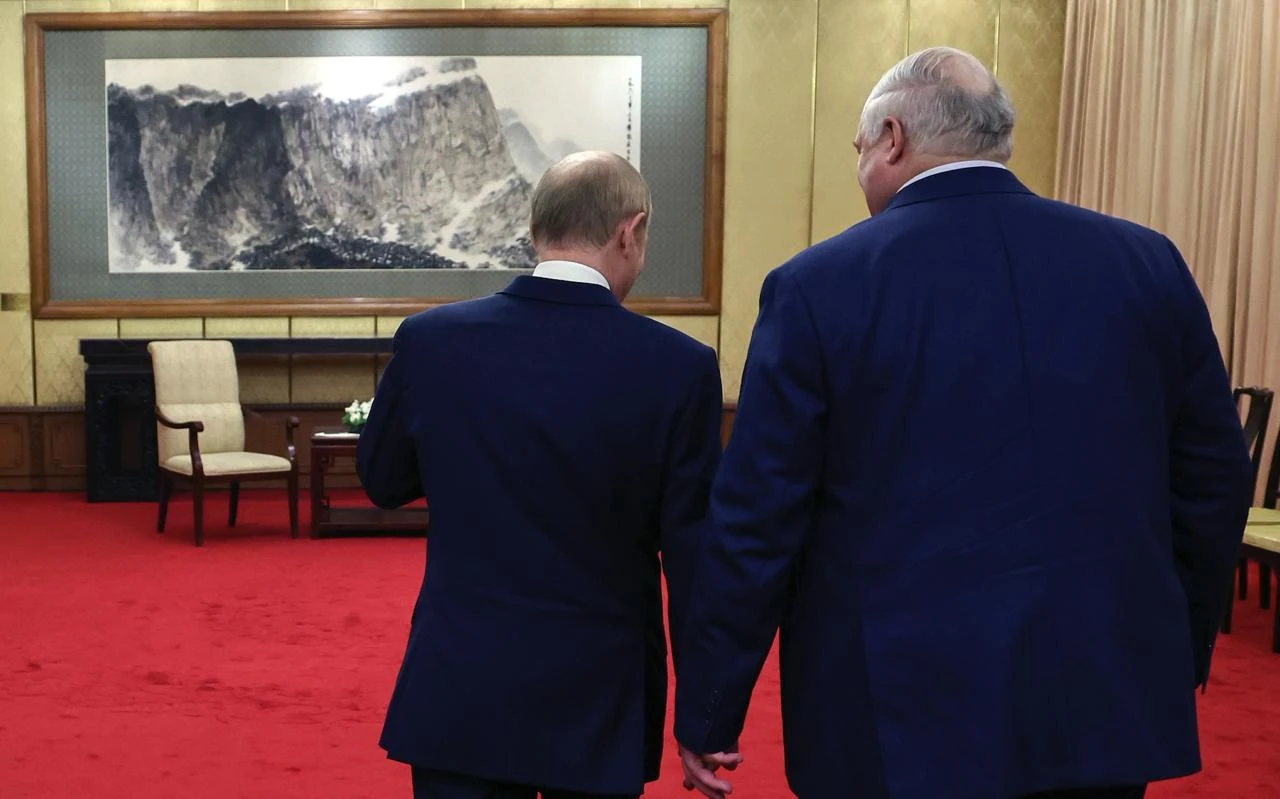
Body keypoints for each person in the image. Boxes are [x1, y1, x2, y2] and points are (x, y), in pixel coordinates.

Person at [673, 47, 1252, 799]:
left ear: (891, 138)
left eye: (857, 148)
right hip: (1102, 694)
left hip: (897, 715)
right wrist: (1171, 646)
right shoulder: (1146, 264)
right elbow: (1214, 479)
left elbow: (757, 521)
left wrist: (712, 708)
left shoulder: (817, 287)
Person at [357, 151, 724, 799]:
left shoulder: (430, 340)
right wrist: (704, 717)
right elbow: (693, 559)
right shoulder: (679, 367)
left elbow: (383, 481)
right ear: (630, 232)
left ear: (535, 232)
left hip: (460, 685)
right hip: (599, 696)